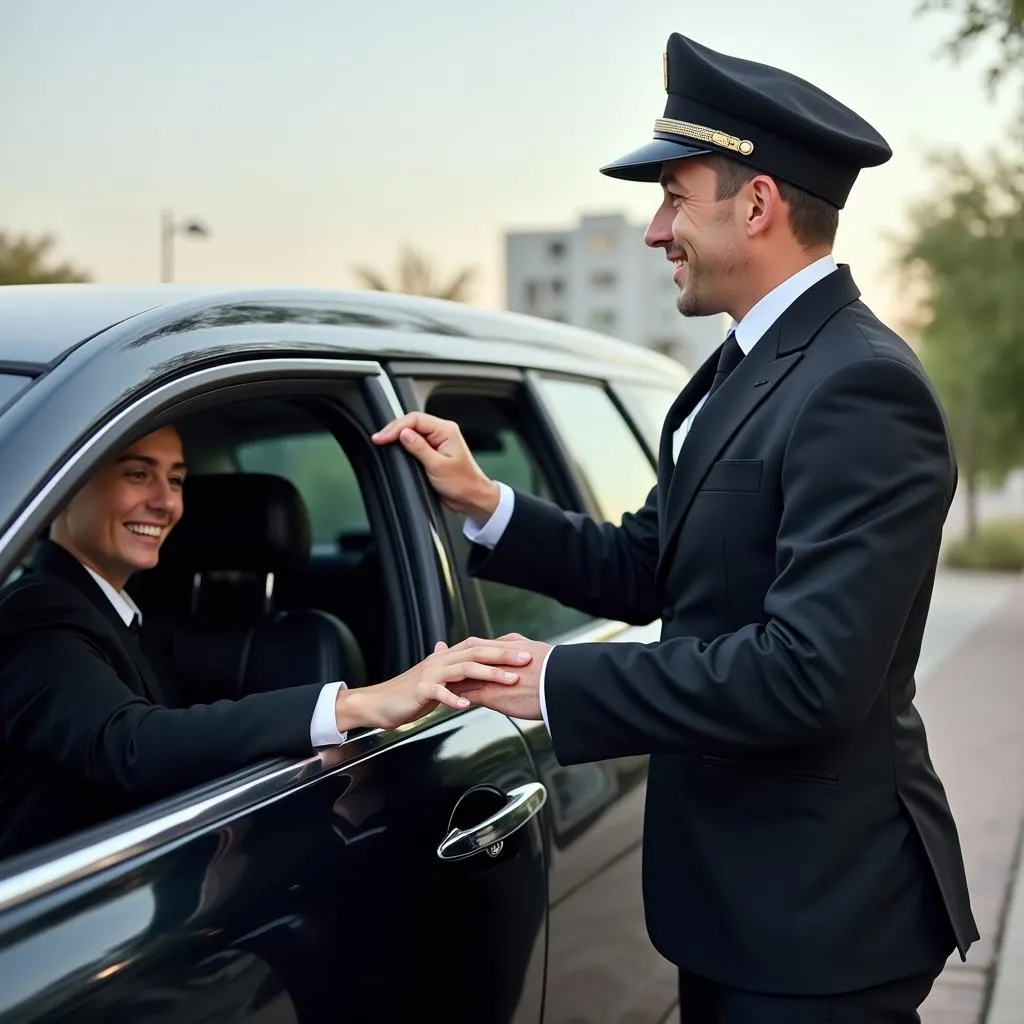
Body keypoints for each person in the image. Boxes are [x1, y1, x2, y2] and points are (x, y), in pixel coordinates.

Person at [373, 32, 978, 1023]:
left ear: (757, 203)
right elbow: (648, 566)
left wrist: (554, 680)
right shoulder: (743, 367)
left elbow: (808, 674)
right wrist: (483, 502)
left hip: (813, 927)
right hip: (739, 905)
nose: (656, 230)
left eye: (672, 195)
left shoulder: (861, 385)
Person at [0, 424, 532, 860]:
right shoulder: (36, 613)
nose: (165, 503)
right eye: (138, 474)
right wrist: (360, 702)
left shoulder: (116, 613)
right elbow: (131, 745)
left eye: (178, 480)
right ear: (62, 490)